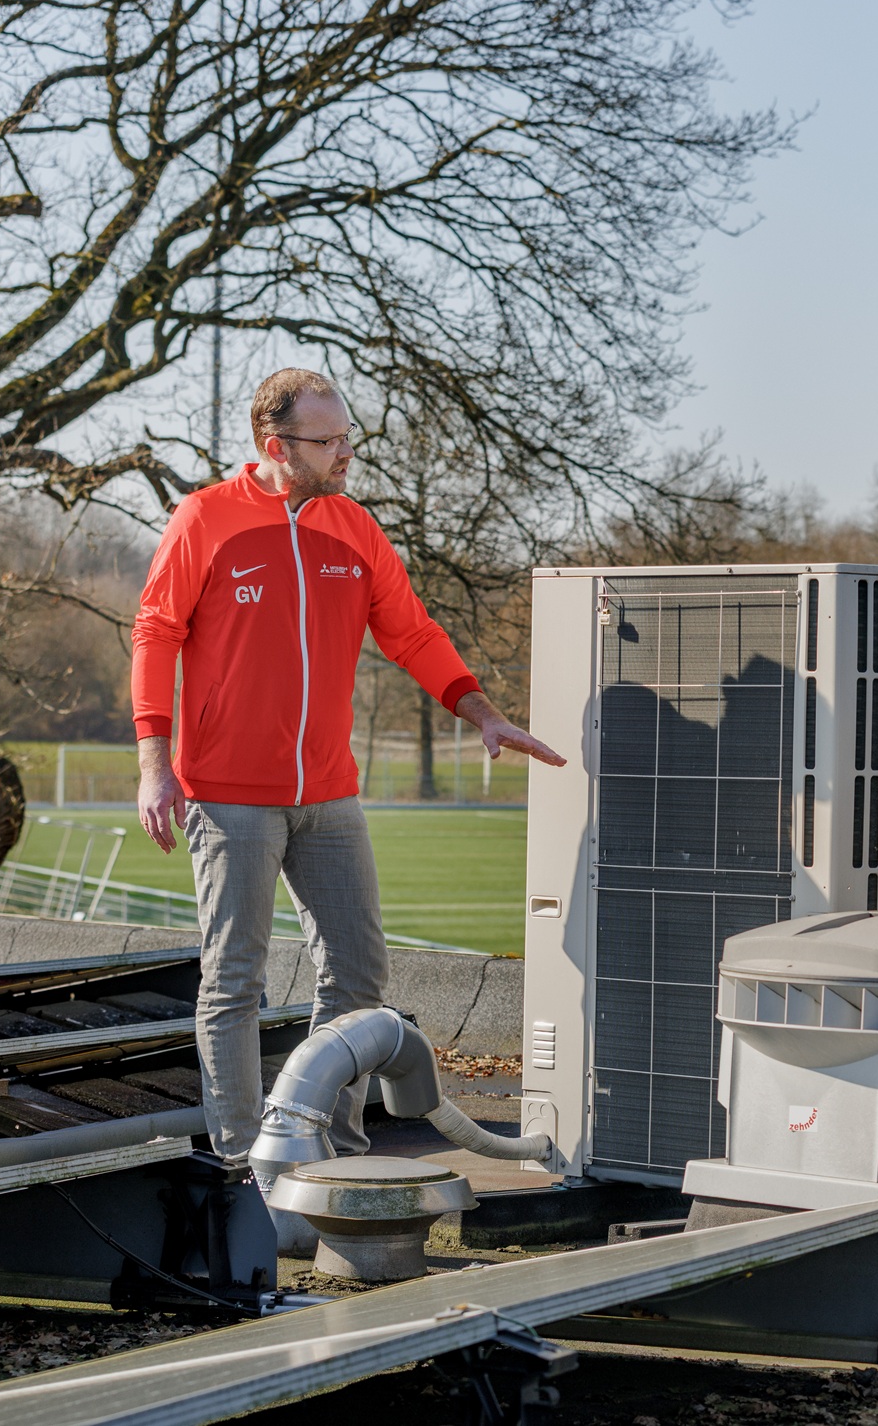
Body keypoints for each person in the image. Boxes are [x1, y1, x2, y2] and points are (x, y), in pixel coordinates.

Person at [131, 368, 565, 1165]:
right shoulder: (205, 520)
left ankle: (334, 1157)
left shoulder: (354, 529)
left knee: (360, 984)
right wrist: (154, 762)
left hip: (330, 797)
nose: (347, 453)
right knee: (234, 984)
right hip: (229, 798)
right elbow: (155, 634)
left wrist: (482, 710)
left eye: (347, 437)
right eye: (328, 442)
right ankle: (242, 1166)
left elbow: (412, 632)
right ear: (277, 446)